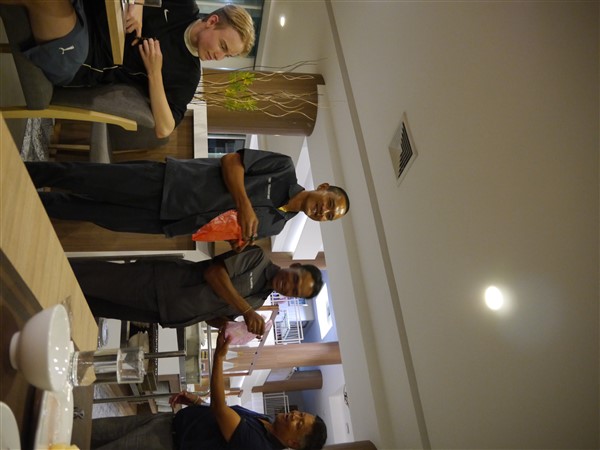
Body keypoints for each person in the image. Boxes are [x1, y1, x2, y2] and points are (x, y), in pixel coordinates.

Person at [3, 0, 255, 138]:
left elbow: (165, 128)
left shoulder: (188, 75)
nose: (218, 56)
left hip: (82, 58)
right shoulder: (183, 6)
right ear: (212, 21)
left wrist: (154, 72)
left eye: (227, 55)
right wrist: (139, 4)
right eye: (223, 46)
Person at [25, 148, 350, 249]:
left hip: (171, 221)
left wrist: (235, 242)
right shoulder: (283, 168)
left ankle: (26, 202)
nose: (323, 211)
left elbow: (231, 226)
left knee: (93, 213)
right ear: (322, 186)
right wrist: (244, 204)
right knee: (87, 178)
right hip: (172, 183)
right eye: (329, 203)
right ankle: (19, 171)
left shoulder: (276, 227)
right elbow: (231, 162)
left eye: (329, 216)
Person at [90, 326, 328, 450]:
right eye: (300, 414)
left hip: (166, 443)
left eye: (299, 423)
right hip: (169, 423)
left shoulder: (259, 446)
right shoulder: (266, 421)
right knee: (97, 431)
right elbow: (221, 419)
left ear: (294, 444)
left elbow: (220, 409)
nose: (294, 415)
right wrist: (196, 402)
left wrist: (219, 357)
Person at [71, 246, 323, 334]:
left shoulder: (259, 301)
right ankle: (49, 267)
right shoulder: (257, 258)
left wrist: (228, 329)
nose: (289, 287)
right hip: (162, 285)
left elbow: (213, 314)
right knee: (92, 279)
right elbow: (214, 274)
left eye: (294, 292)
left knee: (95, 305)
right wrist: (246, 311)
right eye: (295, 280)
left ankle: (52, 301)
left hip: (166, 314)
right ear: (294, 266)